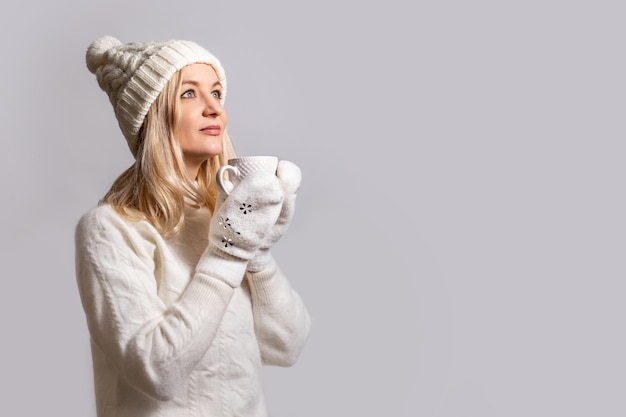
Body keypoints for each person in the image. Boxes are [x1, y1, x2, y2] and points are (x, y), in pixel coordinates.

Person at [75, 36, 311, 417]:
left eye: (216, 93)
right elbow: (156, 372)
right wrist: (228, 254)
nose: (214, 108)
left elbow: (286, 347)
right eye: (189, 94)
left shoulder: (223, 218)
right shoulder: (110, 229)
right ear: (152, 116)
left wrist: (259, 254)